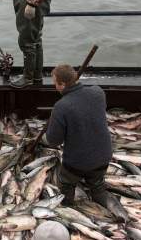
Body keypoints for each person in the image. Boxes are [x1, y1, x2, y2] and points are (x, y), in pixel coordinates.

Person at [45, 64, 129, 223]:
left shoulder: (61, 107)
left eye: (55, 83)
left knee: (66, 185)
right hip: (103, 157)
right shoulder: (98, 92)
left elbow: (54, 141)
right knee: (97, 184)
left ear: (62, 84)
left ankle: (68, 205)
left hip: (77, 163)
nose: (55, 86)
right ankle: (101, 198)